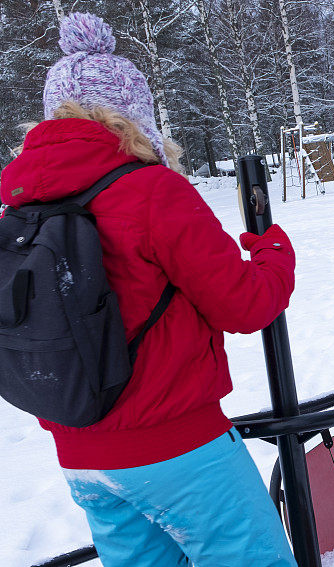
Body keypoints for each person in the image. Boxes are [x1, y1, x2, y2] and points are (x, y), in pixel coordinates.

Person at [0, 13, 296, 567]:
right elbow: (246, 303)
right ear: (133, 113)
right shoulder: (151, 191)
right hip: (178, 449)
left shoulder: (22, 206)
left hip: (80, 453)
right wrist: (273, 253)